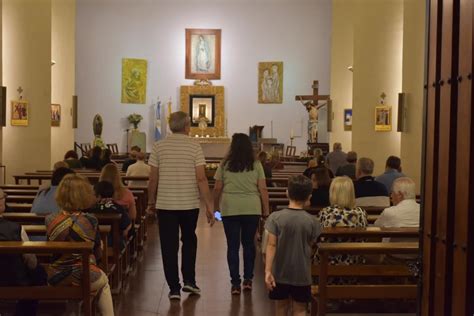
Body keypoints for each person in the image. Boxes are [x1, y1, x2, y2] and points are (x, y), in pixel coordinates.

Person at [147, 111, 214, 300]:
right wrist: (209, 205)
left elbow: (153, 178)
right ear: (187, 127)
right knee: (189, 241)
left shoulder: (159, 146)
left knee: (169, 246)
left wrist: (151, 201)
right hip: (189, 203)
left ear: (169, 126)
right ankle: (190, 282)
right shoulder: (194, 146)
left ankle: (174, 288)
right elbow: (201, 178)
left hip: (165, 204)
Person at [46, 175, 114, 315]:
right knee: (103, 281)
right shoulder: (90, 220)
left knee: (81, 289)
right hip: (85, 274)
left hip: (56, 276)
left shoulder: (50, 219)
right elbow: (97, 252)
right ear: (84, 195)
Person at [213, 133, 270, 295]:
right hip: (252, 209)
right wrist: (266, 210)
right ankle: (248, 280)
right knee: (249, 244)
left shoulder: (225, 165)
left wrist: (216, 210)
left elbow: (217, 189)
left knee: (232, 246)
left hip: (230, 209)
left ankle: (235, 284)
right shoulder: (256, 164)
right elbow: (263, 189)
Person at [264, 175, 320, 316]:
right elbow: (311, 244)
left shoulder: (275, 217)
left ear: (287, 193)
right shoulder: (312, 221)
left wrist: (268, 271)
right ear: (309, 196)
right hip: (302, 274)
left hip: (280, 272)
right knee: (301, 308)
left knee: (281, 307)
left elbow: (271, 245)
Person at [0, 188, 47, 316]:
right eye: (4, 197)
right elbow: (31, 261)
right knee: (38, 275)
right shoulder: (16, 229)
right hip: (13, 280)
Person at [317, 176, 368, 264]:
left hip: (328, 262)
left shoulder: (326, 212)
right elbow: (364, 238)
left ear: (333, 193)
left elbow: (318, 238)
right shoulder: (361, 213)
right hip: (354, 261)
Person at [90, 181, 132, 249]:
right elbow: (126, 226)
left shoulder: (92, 209)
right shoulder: (118, 208)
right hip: (115, 244)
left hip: (96, 244)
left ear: (99, 196)